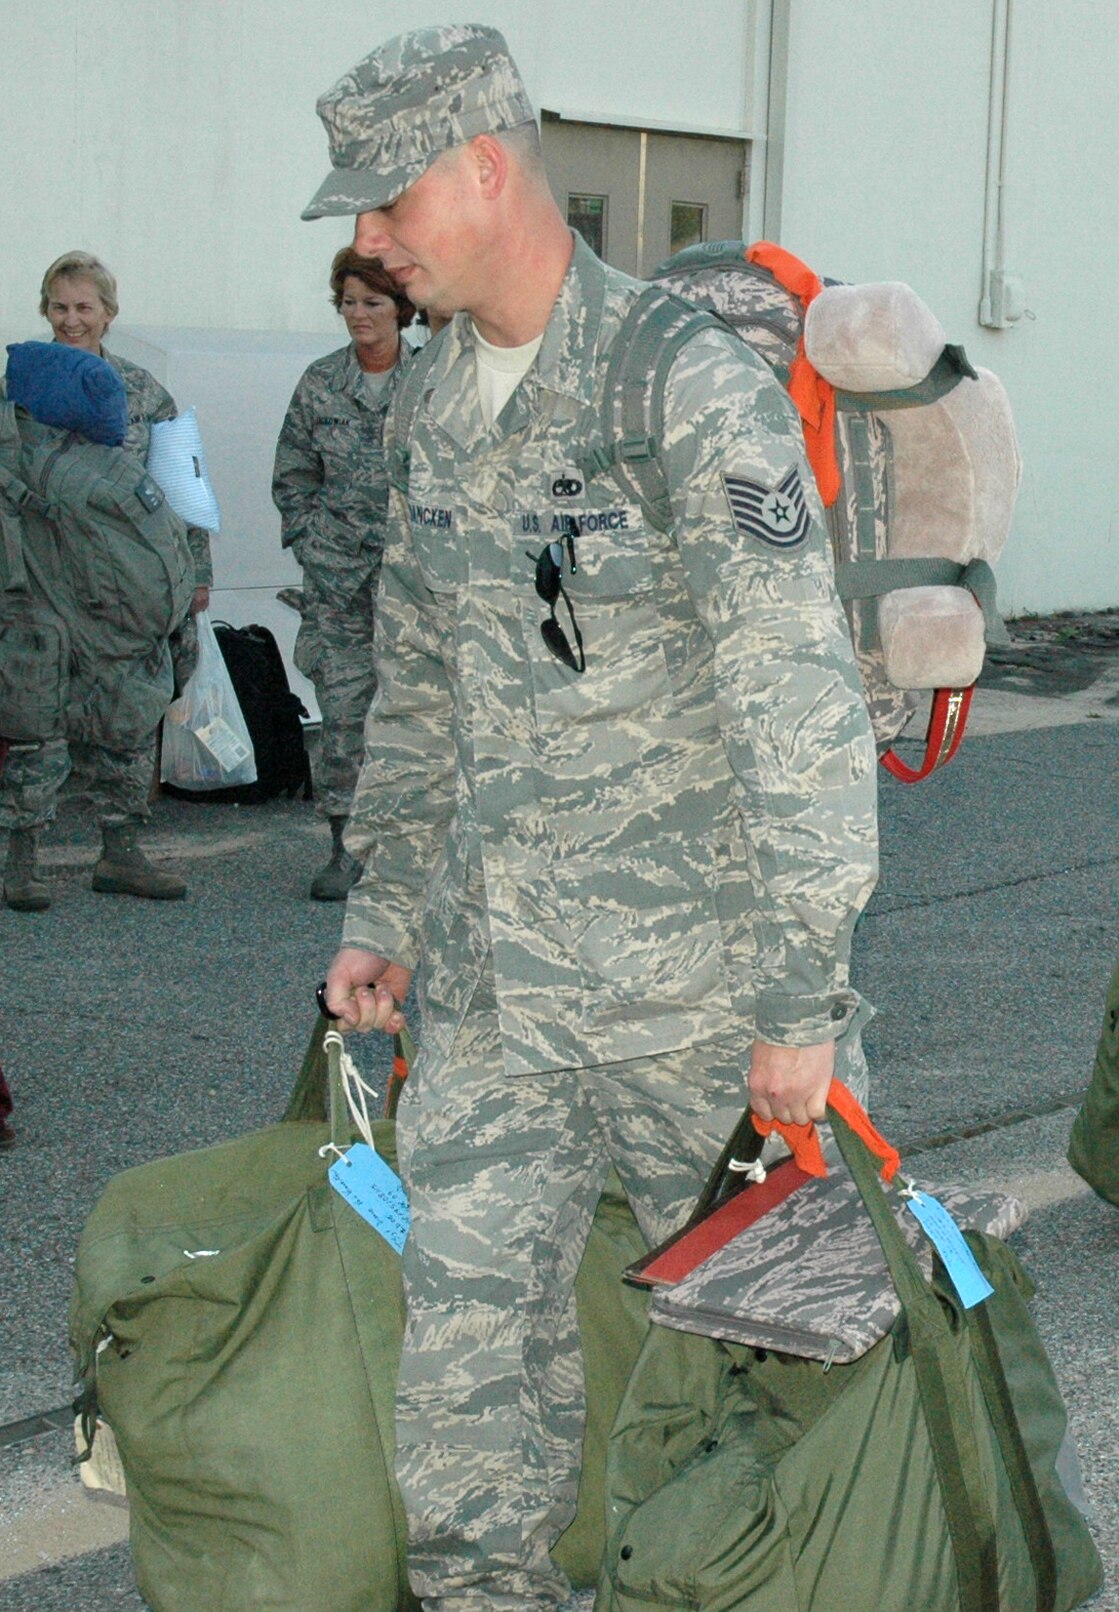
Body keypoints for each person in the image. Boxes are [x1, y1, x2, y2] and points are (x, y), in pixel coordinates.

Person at [304, 27, 879, 1608]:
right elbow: (418, 687)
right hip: (499, 997)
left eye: (384, 202)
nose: (366, 241)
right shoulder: (427, 401)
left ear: (484, 169)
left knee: (793, 1378)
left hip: (702, 1002)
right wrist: (386, 912)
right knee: (467, 1368)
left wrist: (801, 1000)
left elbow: (798, 702)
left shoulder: (680, 385)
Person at [0, 252, 209, 907]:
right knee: (36, 719)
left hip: (122, 591)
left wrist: (194, 578)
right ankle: (21, 861)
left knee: (129, 717)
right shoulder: (20, 391)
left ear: (109, 315)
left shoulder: (146, 392)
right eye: (59, 307)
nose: (71, 319)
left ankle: (120, 852)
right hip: (39, 583)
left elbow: (184, 484)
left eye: (84, 307)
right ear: (45, 310)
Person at [272, 248, 417, 900]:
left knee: (420, 717)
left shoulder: (435, 381)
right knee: (343, 717)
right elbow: (294, 475)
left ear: (401, 309)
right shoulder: (321, 384)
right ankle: (344, 849)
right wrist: (310, 541)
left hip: (416, 584)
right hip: (337, 581)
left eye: (373, 302)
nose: (359, 315)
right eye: (350, 302)